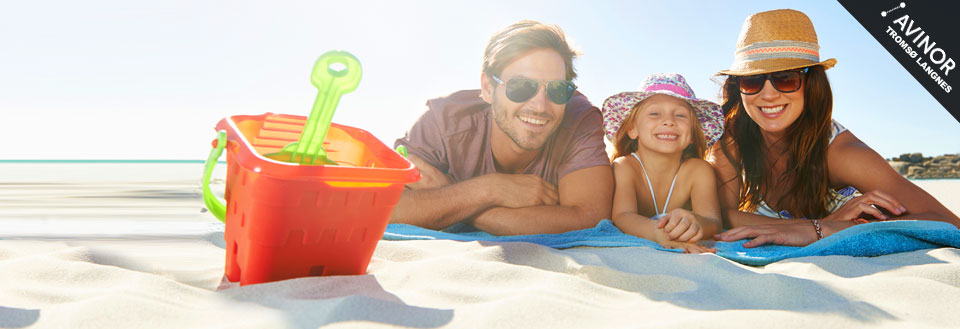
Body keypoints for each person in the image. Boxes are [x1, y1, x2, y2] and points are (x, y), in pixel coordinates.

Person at [710, 9, 960, 247]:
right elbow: (720, 215)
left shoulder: (842, 154)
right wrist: (817, 224)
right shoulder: (731, 138)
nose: (768, 95)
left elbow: (949, 223)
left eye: (786, 78)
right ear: (738, 87)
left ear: (812, 84)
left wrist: (829, 230)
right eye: (752, 80)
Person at [390, 20, 613, 235]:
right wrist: (490, 189)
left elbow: (589, 217)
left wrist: (466, 202)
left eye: (558, 89)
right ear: (487, 88)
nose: (540, 105)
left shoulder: (580, 118)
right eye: (522, 86)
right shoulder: (444, 120)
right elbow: (386, 207)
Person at [602, 73, 724, 253]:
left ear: (692, 134)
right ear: (632, 129)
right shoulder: (625, 167)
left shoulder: (700, 170)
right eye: (654, 113)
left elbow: (713, 222)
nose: (668, 121)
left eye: (680, 115)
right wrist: (657, 233)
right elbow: (622, 216)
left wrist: (697, 223)